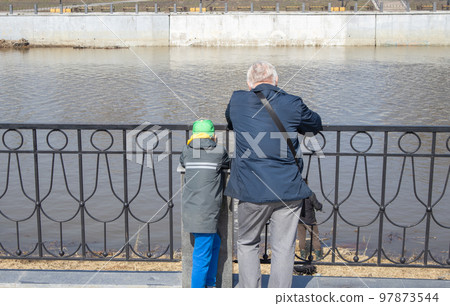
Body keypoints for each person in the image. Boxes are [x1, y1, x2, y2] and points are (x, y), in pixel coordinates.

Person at [225, 61, 322, 288]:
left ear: (249, 83)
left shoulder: (237, 100)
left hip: (251, 188)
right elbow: (315, 124)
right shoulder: (292, 102)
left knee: (248, 242)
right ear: (276, 80)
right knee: (283, 247)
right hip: (287, 188)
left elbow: (231, 122)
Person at [180, 119, 230, 288]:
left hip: (190, 209)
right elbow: (227, 164)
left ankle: (210, 283)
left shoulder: (187, 151)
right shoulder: (219, 151)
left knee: (214, 242)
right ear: (213, 136)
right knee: (201, 257)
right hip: (206, 212)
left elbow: (183, 163)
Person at [297, 190, 323, 260]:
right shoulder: (311, 194)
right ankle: (318, 256)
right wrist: (321, 206)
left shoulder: (296, 194)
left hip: (300, 220)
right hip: (310, 221)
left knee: (301, 238)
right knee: (315, 237)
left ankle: (302, 256)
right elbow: (317, 206)